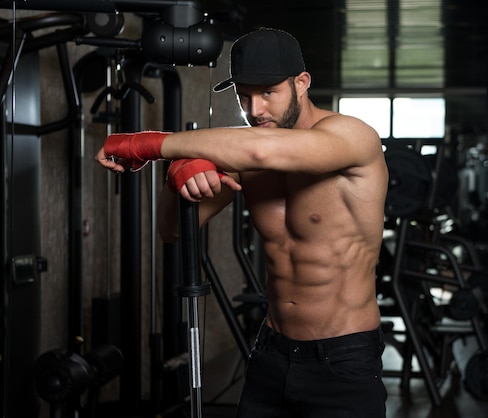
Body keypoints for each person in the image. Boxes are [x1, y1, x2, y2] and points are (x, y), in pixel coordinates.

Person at [95, 28, 389, 418]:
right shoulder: (249, 153)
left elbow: (259, 151)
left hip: (342, 359)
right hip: (270, 352)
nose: (255, 111)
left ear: (301, 83)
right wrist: (177, 177)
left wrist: (148, 145)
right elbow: (172, 231)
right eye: (244, 96)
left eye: (268, 93)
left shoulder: (352, 136)